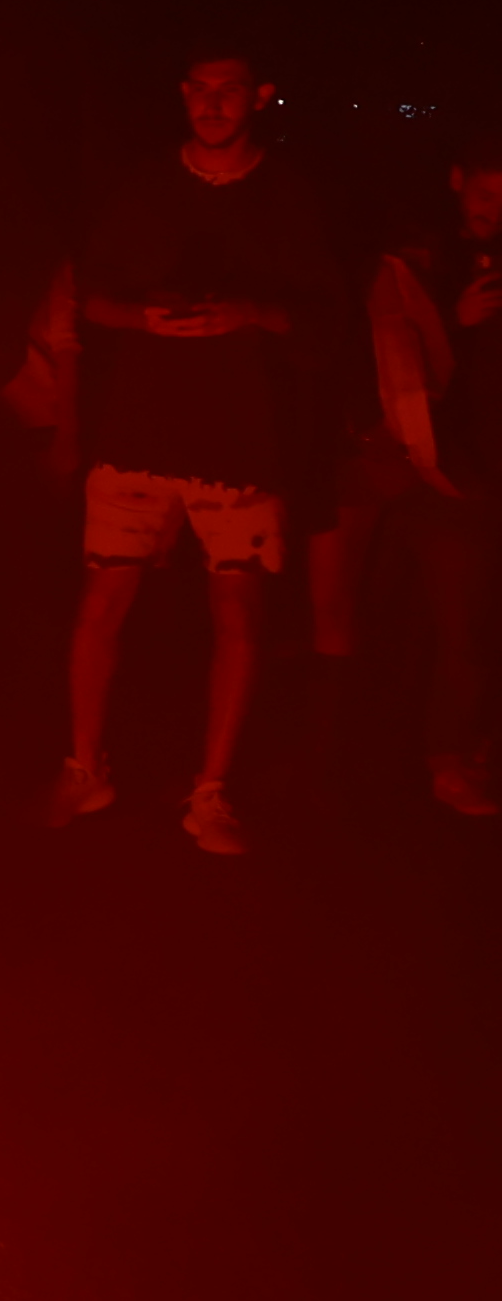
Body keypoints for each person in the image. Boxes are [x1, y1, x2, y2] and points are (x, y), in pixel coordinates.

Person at [52, 42, 341, 854]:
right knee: (101, 601)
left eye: (230, 90)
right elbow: (91, 296)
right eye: (201, 90)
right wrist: (142, 317)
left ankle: (211, 791)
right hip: (139, 429)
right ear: (183, 96)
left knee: (238, 610)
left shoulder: (287, 196)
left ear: (259, 97)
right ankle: (83, 767)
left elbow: (327, 319)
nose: (213, 104)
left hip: (240, 435)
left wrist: (251, 313)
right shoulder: (145, 188)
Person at [309, 129, 502, 814]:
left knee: (463, 624)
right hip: (404, 463)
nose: (494, 209)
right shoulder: (409, 256)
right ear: (457, 181)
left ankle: (449, 757)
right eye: (486, 194)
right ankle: (346, 767)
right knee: (369, 616)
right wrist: (455, 318)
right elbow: (376, 355)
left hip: (469, 471)